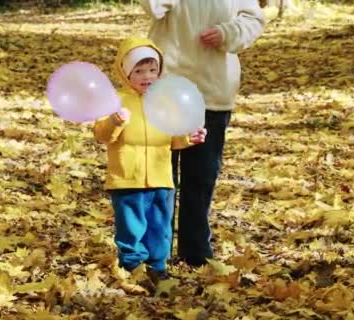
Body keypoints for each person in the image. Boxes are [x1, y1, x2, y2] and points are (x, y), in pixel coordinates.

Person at [139, 0, 266, 266]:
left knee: (202, 175)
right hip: (166, 89)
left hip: (212, 92)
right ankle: (155, 251)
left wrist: (228, 32)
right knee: (161, 176)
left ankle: (195, 251)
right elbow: (153, 7)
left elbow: (253, 20)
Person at [94, 36, 207, 283]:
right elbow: (102, 135)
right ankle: (132, 266)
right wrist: (114, 121)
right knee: (131, 227)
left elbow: (172, 137)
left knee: (160, 226)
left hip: (160, 177)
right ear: (126, 73)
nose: (147, 76)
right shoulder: (115, 101)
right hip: (127, 178)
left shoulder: (164, 100)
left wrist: (189, 138)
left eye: (153, 70)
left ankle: (157, 267)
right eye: (140, 71)